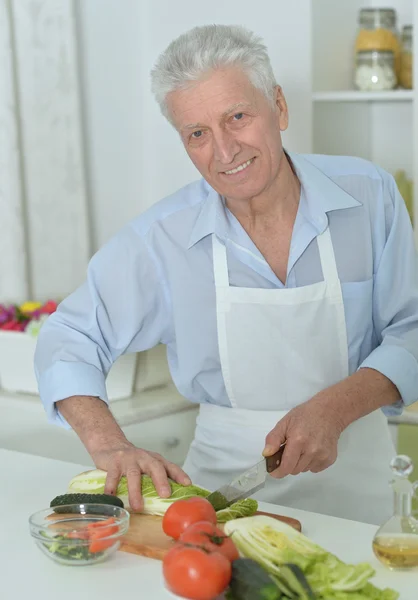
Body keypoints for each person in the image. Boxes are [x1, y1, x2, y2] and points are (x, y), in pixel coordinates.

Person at [34, 24, 418, 525]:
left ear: (278, 107)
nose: (224, 151)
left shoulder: (369, 195)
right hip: (219, 503)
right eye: (197, 134)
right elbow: (68, 336)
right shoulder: (161, 239)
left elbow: (410, 329)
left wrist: (336, 408)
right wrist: (109, 446)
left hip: (360, 495)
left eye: (237, 117)